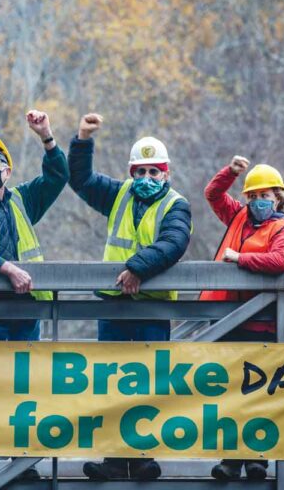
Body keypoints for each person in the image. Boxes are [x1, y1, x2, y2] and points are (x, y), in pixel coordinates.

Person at [67, 114, 192, 481]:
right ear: (131, 173)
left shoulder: (177, 205)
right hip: (114, 304)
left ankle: (142, 458)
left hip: (153, 307)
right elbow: (81, 179)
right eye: (140, 172)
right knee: (112, 382)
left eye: (155, 172)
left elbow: (174, 242)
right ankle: (111, 458)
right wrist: (83, 139)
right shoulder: (120, 193)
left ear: (166, 174)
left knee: (149, 383)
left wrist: (138, 268)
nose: (147, 179)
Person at [0, 109, 69, 481]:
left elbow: (58, 176)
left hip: (25, 311)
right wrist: (7, 267)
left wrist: (46, 137)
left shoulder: (23, 200)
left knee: (25, 388)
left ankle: (22, 463)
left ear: (7, 170)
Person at [201, 157, 284, 481]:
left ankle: (259, 460)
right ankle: (231, 461)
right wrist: (230, 173)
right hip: (232, 320)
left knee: (259, 395)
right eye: (254, 196)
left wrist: (240, 258)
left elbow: (281, 259)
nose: (259, 202)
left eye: (266, 196)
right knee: (232, 395)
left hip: (265, 325)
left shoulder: (283, 226)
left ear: (279, 198)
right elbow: (213, 195)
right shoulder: (238, 216)